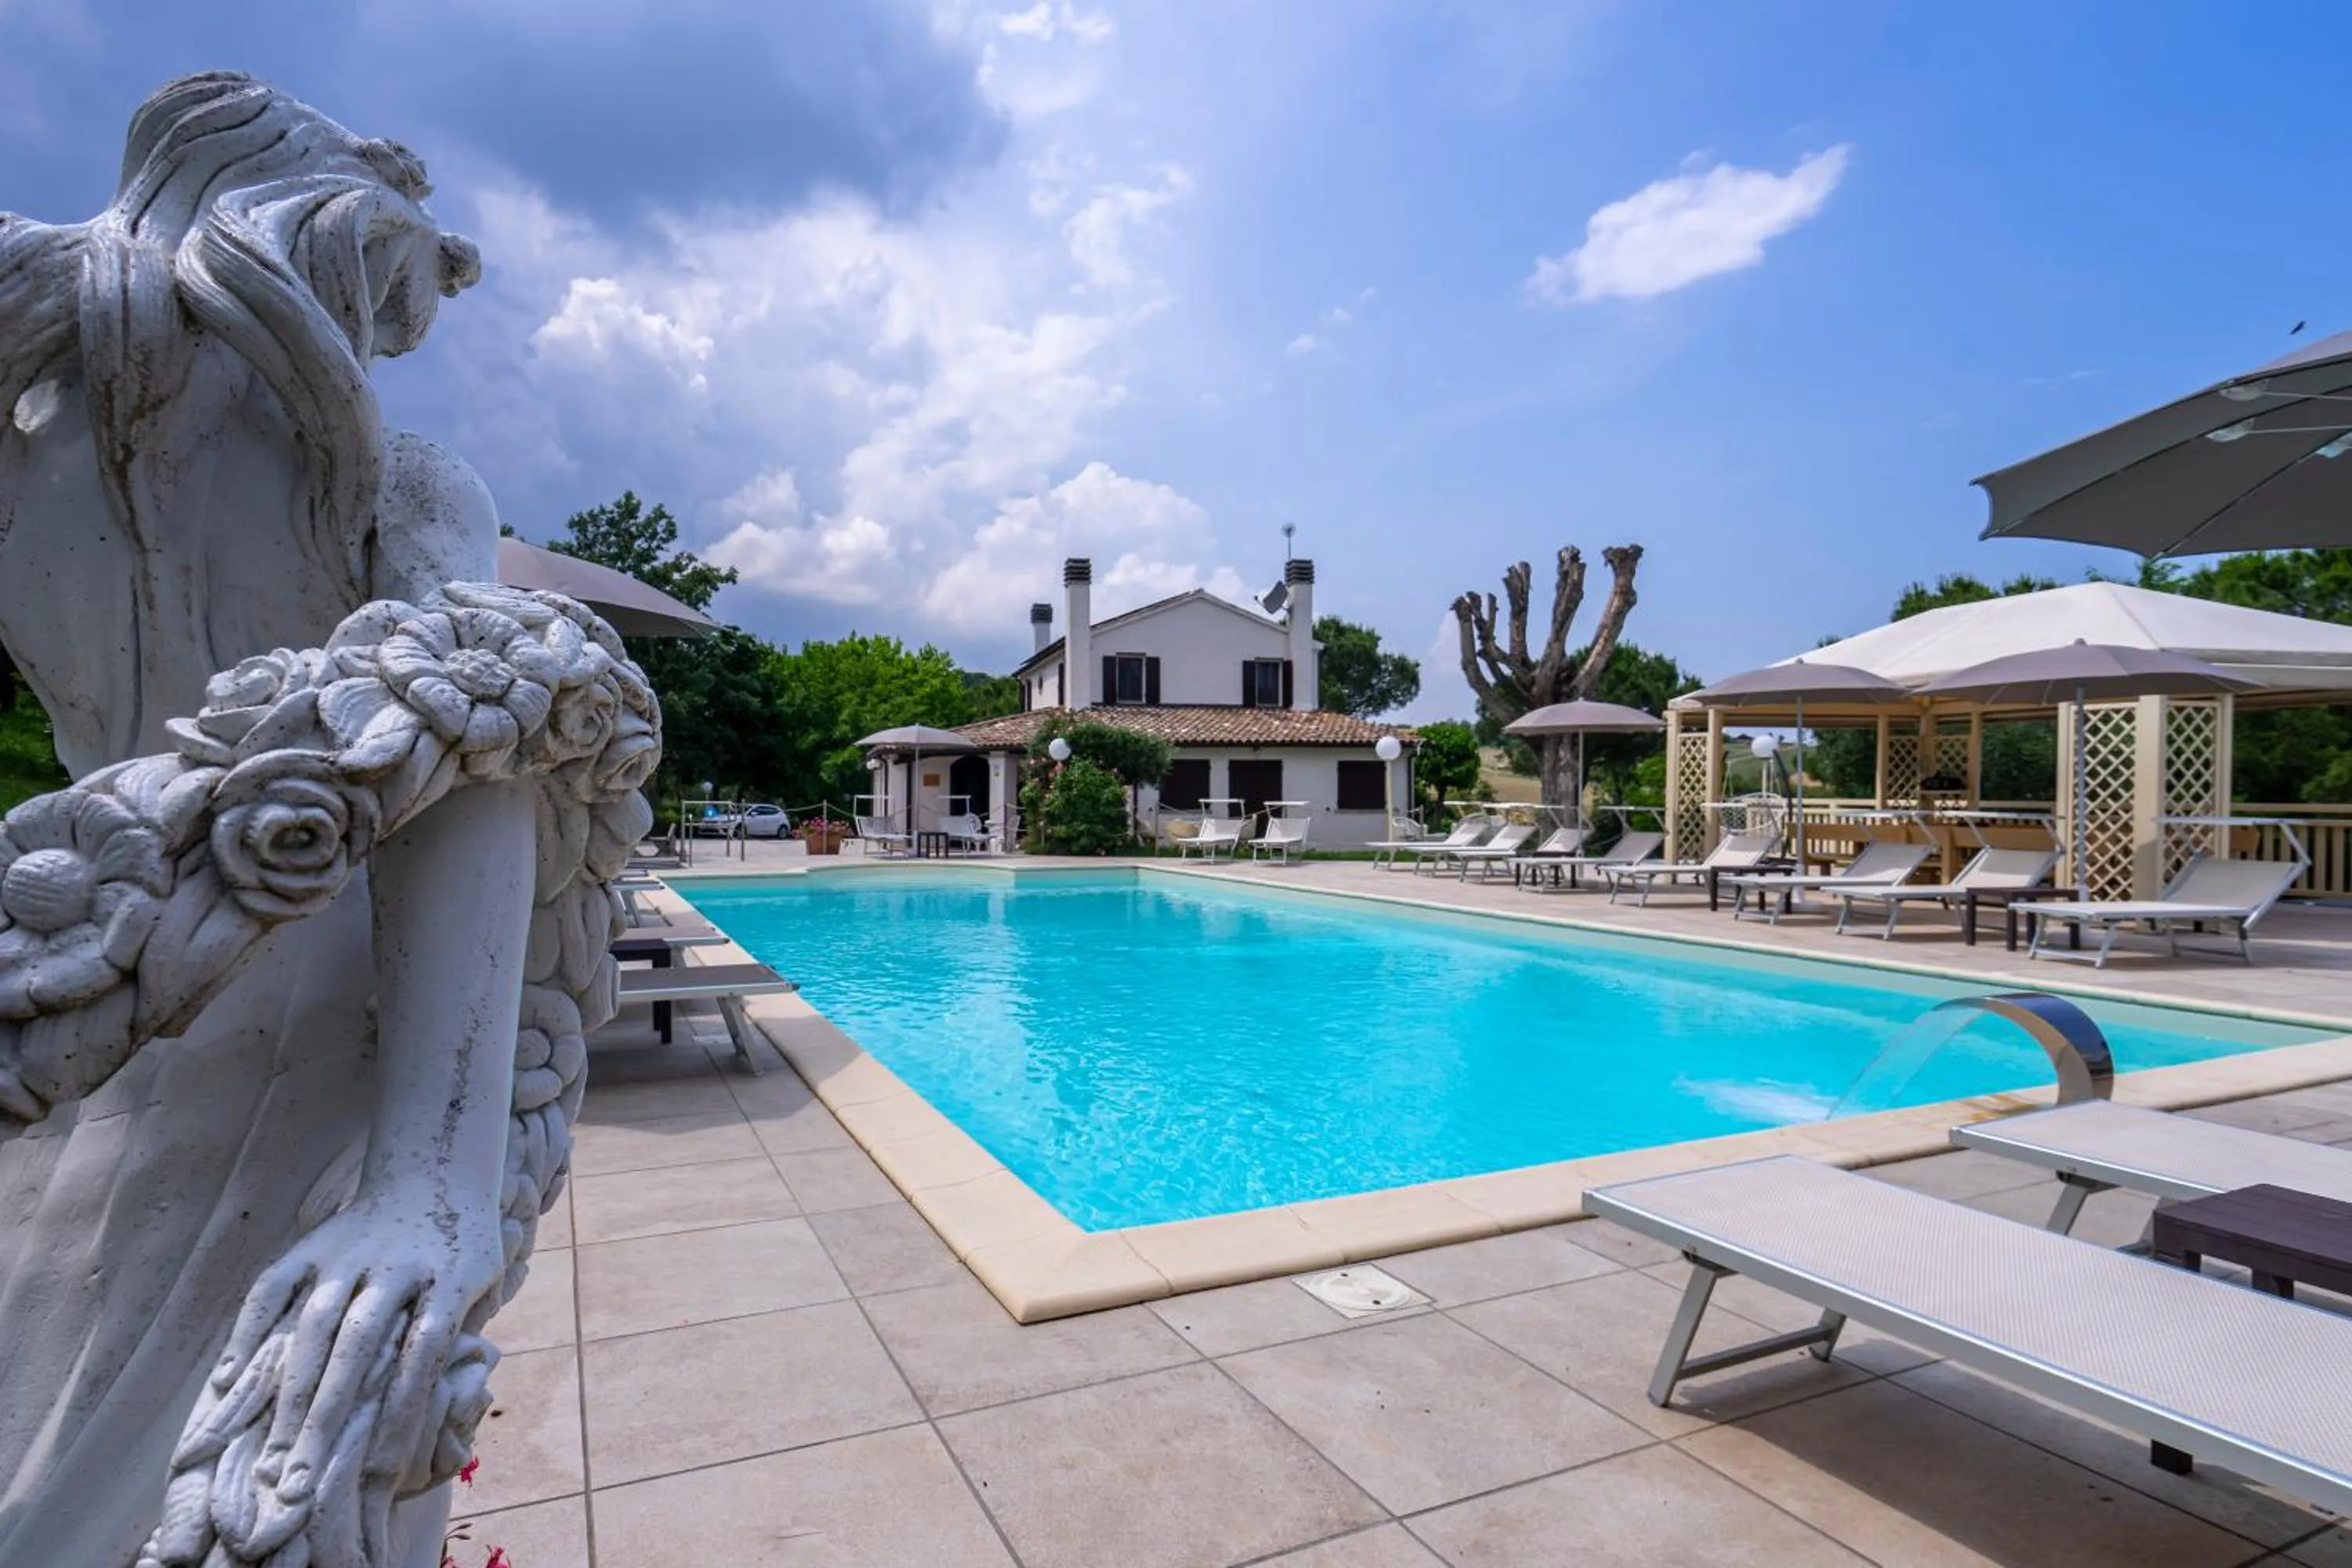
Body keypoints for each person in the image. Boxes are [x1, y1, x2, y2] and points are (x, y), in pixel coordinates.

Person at [0, 74, 632, 1566]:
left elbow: (468, 738)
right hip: (334, 1017)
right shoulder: (399, 484)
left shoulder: (29, 460)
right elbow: (486, 748)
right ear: (342, 243)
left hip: (105, 1001)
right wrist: (430, 1177)